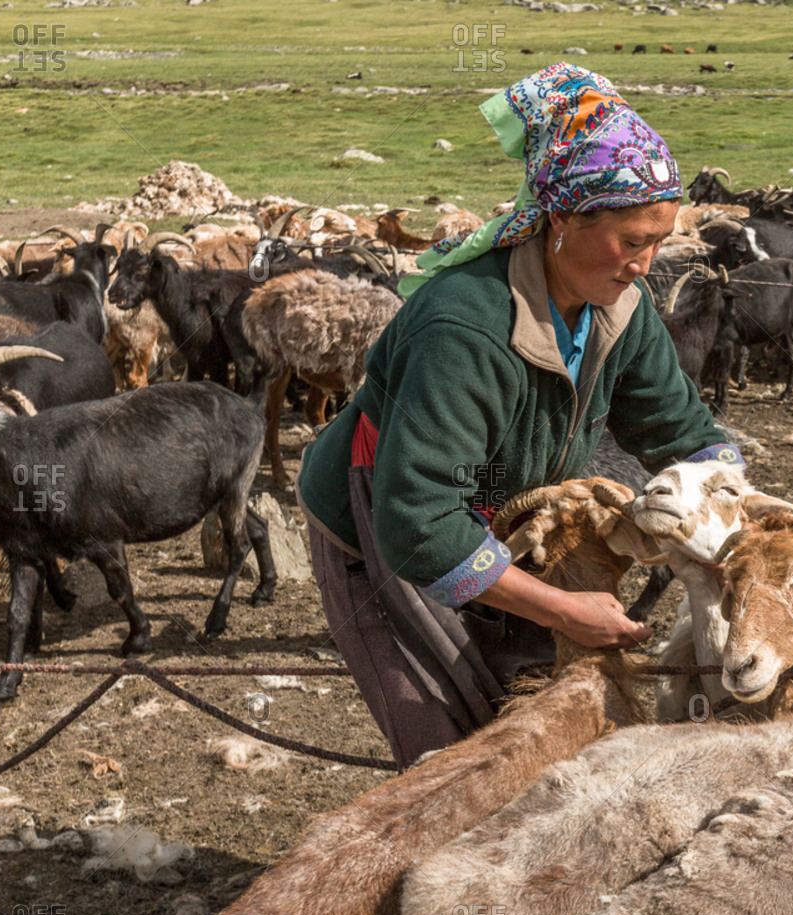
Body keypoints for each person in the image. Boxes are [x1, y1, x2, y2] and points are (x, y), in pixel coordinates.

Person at [296, 64, 741, 768]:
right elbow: (418, 524)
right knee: (450, 755)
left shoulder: (619, 308)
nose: (644, 263)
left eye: (658, 240)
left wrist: (753, 521)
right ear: (562, 220)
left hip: (506, 510)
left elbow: (680, 431)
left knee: (538, 716)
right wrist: (565, 610)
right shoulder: (464, 330)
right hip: (384, 523)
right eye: (630, 241)